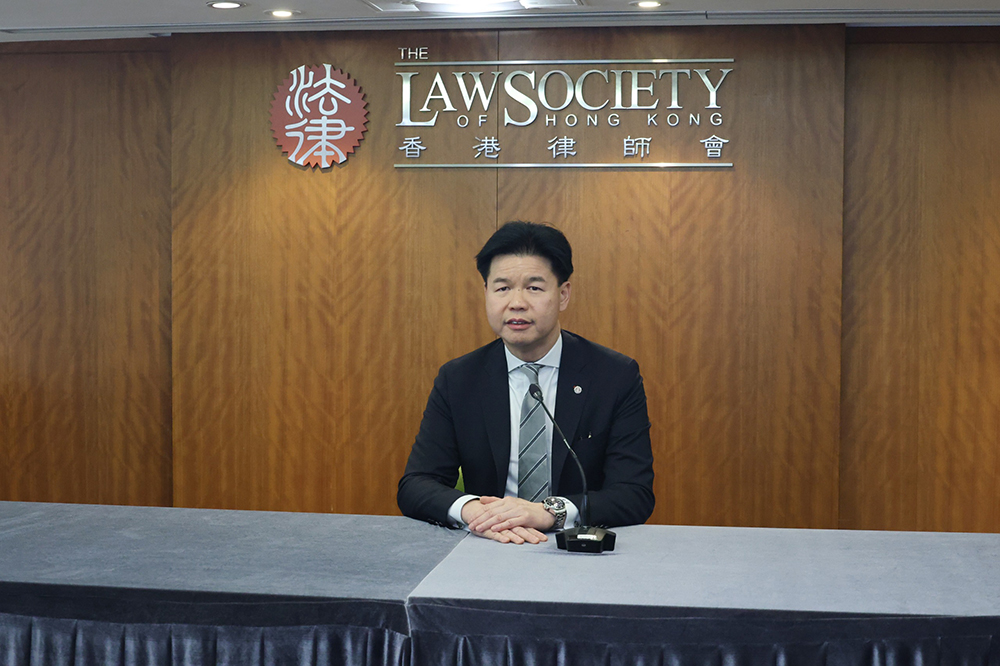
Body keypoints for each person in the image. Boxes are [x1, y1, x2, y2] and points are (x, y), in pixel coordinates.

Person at [397, 221, 654, 544]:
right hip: (490, 545)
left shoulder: (613, 376)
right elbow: (416, 484)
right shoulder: (459, 379)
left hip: (576, 549)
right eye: (502, 288)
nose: (516, 302)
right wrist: (476, 512)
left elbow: (634, 493)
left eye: (533, 288)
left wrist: (550, 512)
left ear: (563, 295)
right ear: (486, 293)